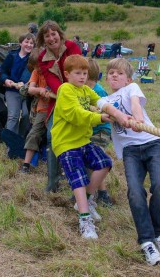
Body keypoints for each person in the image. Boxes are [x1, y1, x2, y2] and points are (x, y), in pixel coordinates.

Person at [97, 58, 160, 265]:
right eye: (111, 72)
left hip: (152, 143)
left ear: (128, 78)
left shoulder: (133, 87)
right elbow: (112, 112)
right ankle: (147, 241)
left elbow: (135, 105)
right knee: (135, 190)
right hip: (130, 151)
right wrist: (123, 118)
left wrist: (138, 120)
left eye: (119, 73)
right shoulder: (102, 101)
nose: (114, 75)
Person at [51, 54, 131, 239]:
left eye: (85, 73)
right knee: (78, 177)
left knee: (104, 162)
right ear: (67, 74)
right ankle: (84, 219)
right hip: (66, 143)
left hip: (83, 140)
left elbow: (103, 102)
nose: (82, 77)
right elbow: (76, 114)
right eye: (77, 73)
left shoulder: (87, 91)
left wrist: (118, 113)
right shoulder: (66, 90)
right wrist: (99, 117)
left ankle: (85, 200)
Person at [37, 20, 82, 192]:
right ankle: (52, 181)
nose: (51, 38)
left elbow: (78, 71)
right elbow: (52, 81)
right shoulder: (42, 58)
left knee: (78, 138)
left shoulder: (71, 47)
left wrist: (72, 97)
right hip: (58, 100)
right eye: (47, 35)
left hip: (78, 96)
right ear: (43, 39)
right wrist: (64, 95)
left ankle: (80, 181)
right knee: (51, 136)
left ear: (59, 34)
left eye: (53, 33)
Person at [86, 58, 113, 207]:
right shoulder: (83, 89)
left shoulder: (98, 91)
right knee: (93, 163)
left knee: (94, 163)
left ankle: (89, 196)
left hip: (101, 132)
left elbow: (104, 112)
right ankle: (102, 194)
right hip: (90, 131)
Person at [20, 48, 50, 173]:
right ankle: (26, 164)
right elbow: (30, 89)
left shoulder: (53, 71)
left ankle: (54, 164)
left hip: (55, 109)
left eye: (40, 66)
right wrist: (40, 90)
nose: (38, 69)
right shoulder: (36, 73)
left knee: (52, 136)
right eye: (36, 67)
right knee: (34, 133)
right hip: (41, 109)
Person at [0, 32, 35, 138]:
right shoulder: (12, 55)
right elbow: (3, 71)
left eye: (32, 43)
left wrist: (25, 84)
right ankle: (10, 140)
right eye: (26, 42)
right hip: (12, 90)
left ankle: (20, 137)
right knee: (13, 116)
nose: (29, 45)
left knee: (26, 115)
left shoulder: (33, 58)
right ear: (20, 43)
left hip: (27, 91)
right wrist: (6, 80)